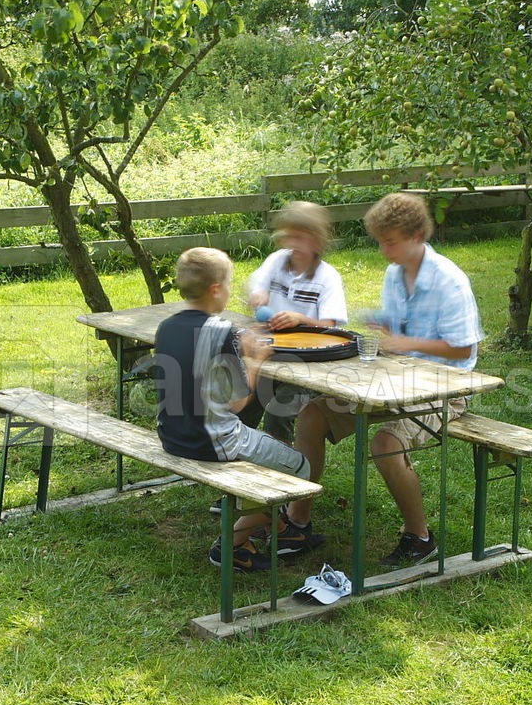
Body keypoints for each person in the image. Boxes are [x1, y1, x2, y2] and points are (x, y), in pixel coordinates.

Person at [288, 193, 482, 569]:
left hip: (446, 389)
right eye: (380, 240)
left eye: (389, 241)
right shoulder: (396, 273)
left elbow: (463, 349)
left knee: (385, 441)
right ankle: (298, 521)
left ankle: (420, 537)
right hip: (393, 379)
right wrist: (382, 327)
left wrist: (404, 342)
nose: (383, 250)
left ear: (417, 236)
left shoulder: (449, 281)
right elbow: (397, 331)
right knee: (312, 415)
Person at [154, 248, 319, 572]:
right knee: (299, 468)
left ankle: (284, 532)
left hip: (172, 434)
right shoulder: (221, 331)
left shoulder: (167, 326)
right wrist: (254, 359)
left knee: (270, 452)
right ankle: (232, 545)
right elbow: (238, 403)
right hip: (212, 440)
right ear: (216, 289)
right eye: (229, 284)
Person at [243, 201, 347, 441]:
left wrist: (300, 319)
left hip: (307, 365)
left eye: (301, 238)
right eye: (290, 237)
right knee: (246, 403)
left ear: (317, 241)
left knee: (278, 411)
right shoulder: (277, 261)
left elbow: (331, 328)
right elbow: (257, 286)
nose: (293, 244)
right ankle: (238, 456)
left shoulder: (327, 277)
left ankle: (281, 466)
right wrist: (258, 295)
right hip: (271, 354)